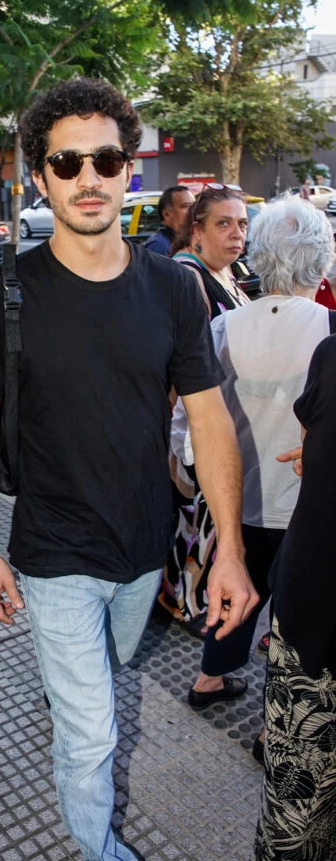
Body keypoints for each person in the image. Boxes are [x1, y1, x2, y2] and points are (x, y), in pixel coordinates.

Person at [0, 78, 257, 861]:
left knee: (100, 683)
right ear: (39, 178)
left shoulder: (171, 290)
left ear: (129, 172)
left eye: (106, 158)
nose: (88, 176)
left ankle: (66, 686)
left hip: (142, 545)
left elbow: (210, 417)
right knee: (91, 733)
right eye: (66, 161)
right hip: (50, 548)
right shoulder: (1, 293)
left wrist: (227, 549)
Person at [186, 197, 335, 711]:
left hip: (237, 496)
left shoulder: (224, 329)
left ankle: (209, 678)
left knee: (235, 584)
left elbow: (190, 421)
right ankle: (275, 727)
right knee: (295, 614)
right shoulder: (329, 332)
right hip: (307, 506)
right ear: (320, 260)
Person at [250, 334, 336, 861]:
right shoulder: (330, 356)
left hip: (314, 603)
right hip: (315, 607)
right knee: (299, 789)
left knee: (298, 791)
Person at [159, 185, 251, 632]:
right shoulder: (188, 274)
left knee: (201, 521)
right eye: (224, 223)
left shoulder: (227, 272)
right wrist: (180, 443)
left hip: (213, 420)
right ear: (196, 230)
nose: (237, 234)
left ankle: (186, 598)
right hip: (191, 426)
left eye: (242, 224)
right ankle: (187, 604)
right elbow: (179, 365)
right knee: (194, 519)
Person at [143, 185, 194, 256]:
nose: (193, 210)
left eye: (194, 205)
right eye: (185, 206)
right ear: (166, 214)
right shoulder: (158, 246)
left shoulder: (187, 240)